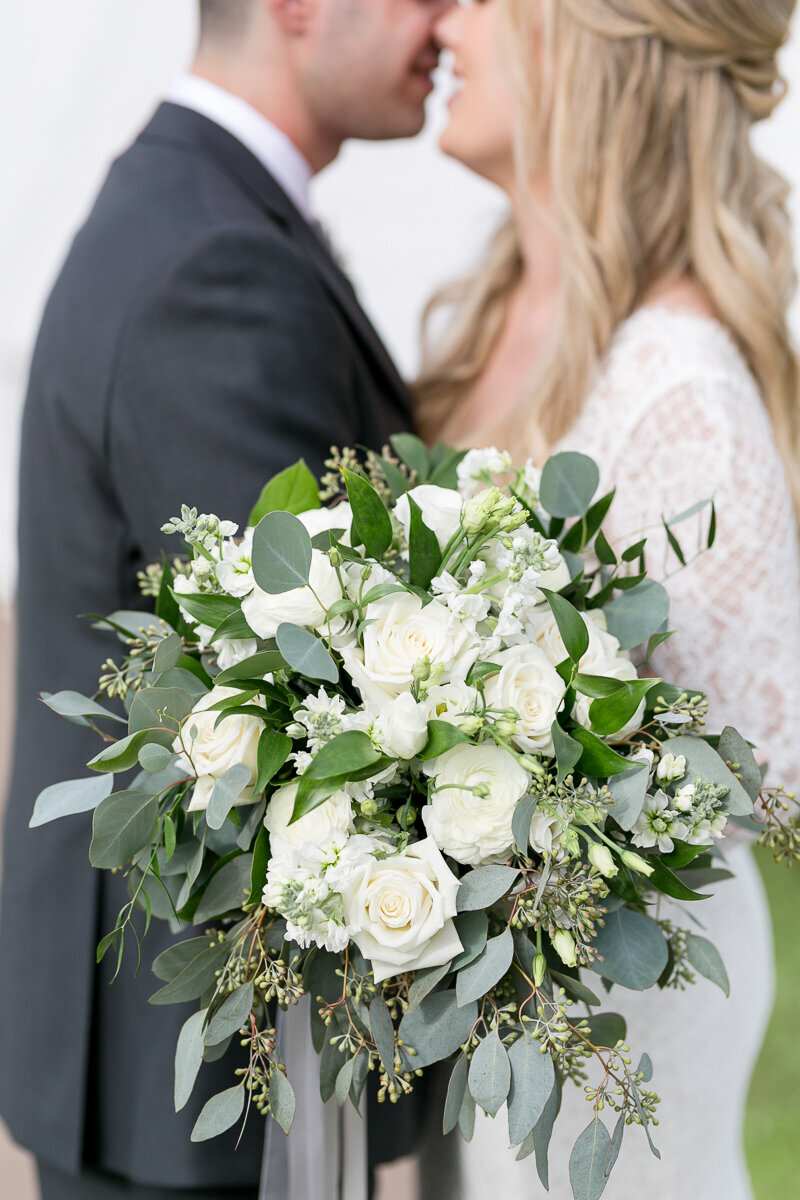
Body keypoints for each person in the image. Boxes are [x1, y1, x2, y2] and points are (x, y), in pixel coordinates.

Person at [0, 1, 454, 1198]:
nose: (453, 20)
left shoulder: (201, 206)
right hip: (187, 1069)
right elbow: (321, 691)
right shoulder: (215, 259)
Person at [415, 0, 800, 1196]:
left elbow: (766, 775)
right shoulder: (495, 305)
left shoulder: (674, 394)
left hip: (616, 1028)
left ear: (582, 46)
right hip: (495, 1013)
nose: (447, 20)